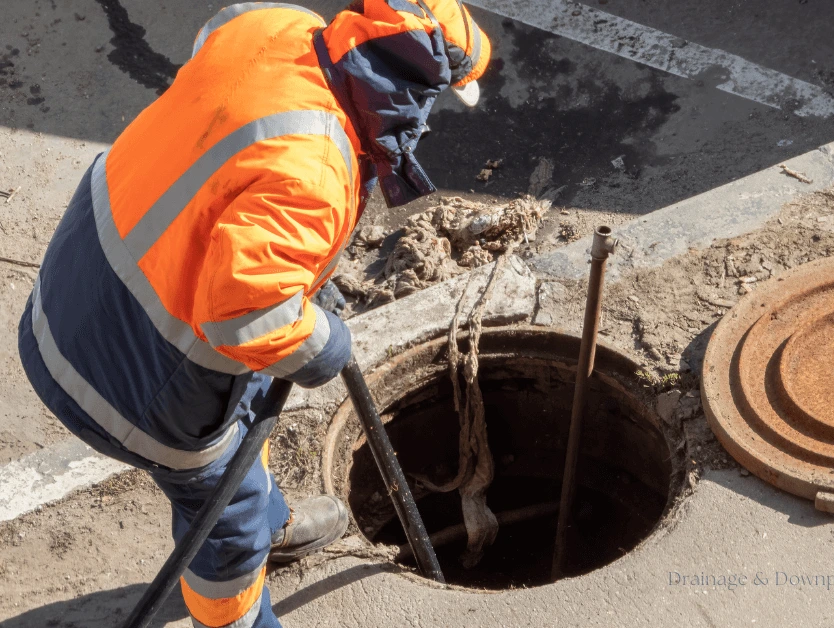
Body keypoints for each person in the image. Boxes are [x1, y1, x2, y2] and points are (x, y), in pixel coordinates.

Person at [17, 1, 491, 626]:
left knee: (251, 397)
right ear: (412, 91)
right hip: (130, 376)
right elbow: (244, 321)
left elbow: (215, 39)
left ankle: (275, 525)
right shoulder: (317, 171)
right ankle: (238, 609)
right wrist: (326, 346)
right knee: (224, 521)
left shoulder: (277, 28)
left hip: (77, 285)